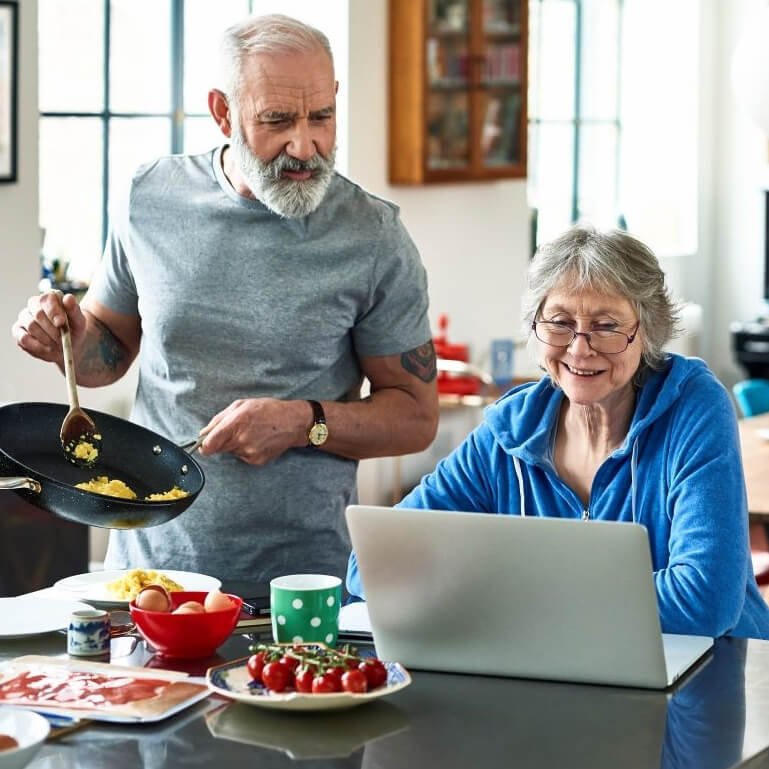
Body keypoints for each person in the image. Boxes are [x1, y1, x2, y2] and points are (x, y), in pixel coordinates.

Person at [11, 14, 439, 584]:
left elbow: (415, 416)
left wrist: (303, 421)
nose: (304, 145)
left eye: (322, 117)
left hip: (300, 585)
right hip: (149, 576)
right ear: (222, 112)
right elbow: (105, 356)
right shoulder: (151, 197)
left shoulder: (374, 237)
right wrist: (65, 337)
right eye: (277, 120)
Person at [348, 224, 769, 640]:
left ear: (648, 330)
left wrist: (507, 595)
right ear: (536, 325)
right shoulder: (510, 431)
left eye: (606, 326)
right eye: (560, 322)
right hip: (564, 671)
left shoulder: (692, 407)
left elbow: (704, 601)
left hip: (713, 675)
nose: (580, 348)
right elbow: (371, 564)